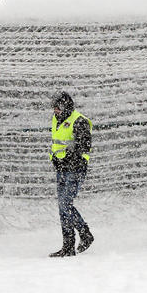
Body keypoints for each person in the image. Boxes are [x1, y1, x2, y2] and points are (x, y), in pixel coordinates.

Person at [48, 91, 94, 257]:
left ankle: (78, 238)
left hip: (75, 169)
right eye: (54, 107)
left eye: (58, 107)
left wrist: (69, 159)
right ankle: (74, 241)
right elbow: (57, 144)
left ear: (66, 106)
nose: (55, 111)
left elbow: (84, 147)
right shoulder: (56, 119)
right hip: (61, 168)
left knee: (65, 204)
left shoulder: (79, 121)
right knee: (63, 206)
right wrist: (56, 159)